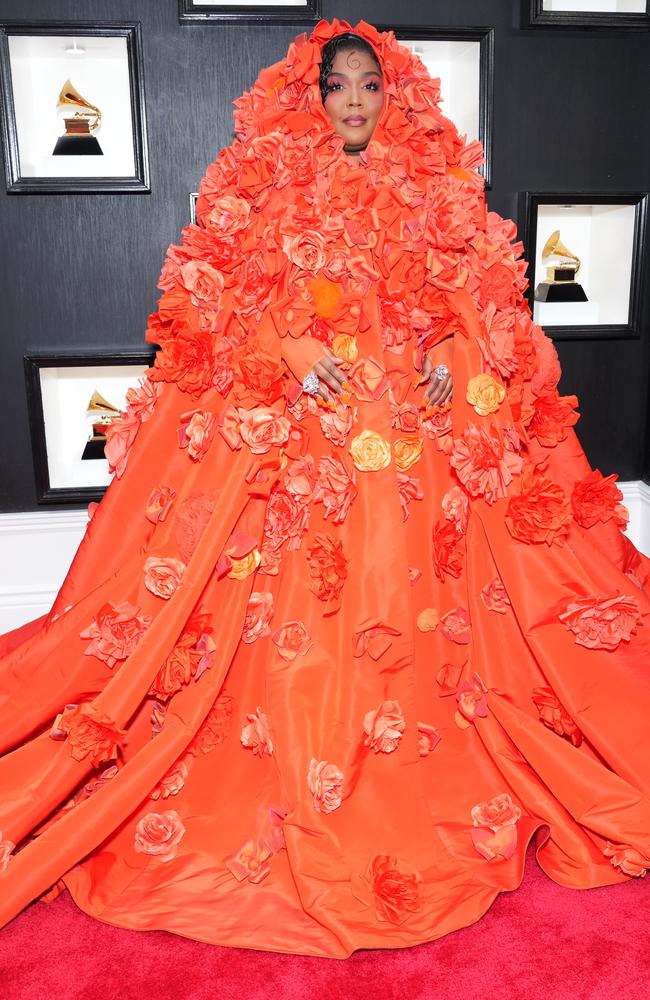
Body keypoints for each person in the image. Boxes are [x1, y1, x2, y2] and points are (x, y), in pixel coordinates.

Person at [0, 18, 648, 959]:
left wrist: (445, 354)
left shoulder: (432, 187)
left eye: (369, 86)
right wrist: (290, 350)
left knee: (416, 604)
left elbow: (477, 307)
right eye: (336, 85)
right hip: (304, 433)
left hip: (411, 440)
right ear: (309, 97)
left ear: (395, 98)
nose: (353, 100)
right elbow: (218, 312)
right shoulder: (264, 188)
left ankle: (407, 766)